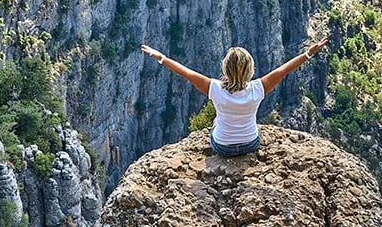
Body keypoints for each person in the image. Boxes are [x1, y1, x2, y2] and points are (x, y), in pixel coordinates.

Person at [140, 38, 329, 157]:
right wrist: (308, 53)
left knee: (216, 121)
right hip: (251, 143)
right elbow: (285, 69)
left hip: (223, 147)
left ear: (226, 68)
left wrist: (161, 57)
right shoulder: (258, 88)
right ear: (250, 69)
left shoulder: (215, 88)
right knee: (251, 124)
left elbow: (186, 72)